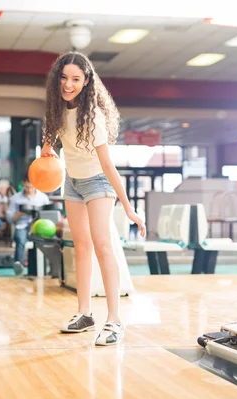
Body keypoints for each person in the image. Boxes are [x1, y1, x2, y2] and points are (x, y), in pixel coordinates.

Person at [40, 52, 146, 346]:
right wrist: (47, 149)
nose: (68, 84)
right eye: (64, 78)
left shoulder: (94, 115)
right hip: (72, 182)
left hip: (98, 181)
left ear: (86, 82)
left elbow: (108, 165)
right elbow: (51, 137)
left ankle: (114, 320)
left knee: (102, 246)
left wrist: (127, 206)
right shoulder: (57, 109)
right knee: (81, 247)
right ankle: (84, 314)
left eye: (75, 79)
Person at [6, 176, 50, 275]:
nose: (29, 189)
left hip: (38, 226)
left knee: (42, 242)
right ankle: (19, 266)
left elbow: (49, 214)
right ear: (23, 184)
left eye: (32, 187)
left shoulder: (43, 198)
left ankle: (44, 268)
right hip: (22, 225)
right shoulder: (15, 198)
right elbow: (9, 218)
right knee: (20, 240)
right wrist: (20, 213)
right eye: (27, 187)